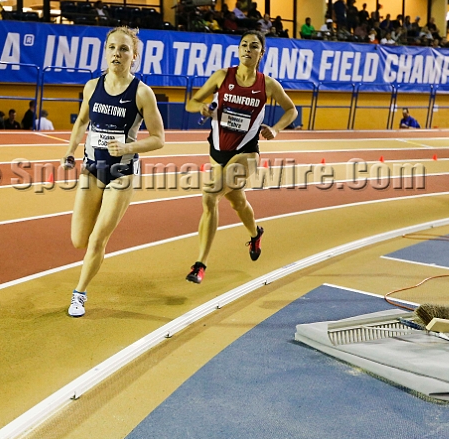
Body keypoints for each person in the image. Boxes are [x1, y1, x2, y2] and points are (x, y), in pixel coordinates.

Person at [61, 26, 165, 317]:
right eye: (112, 48)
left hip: (122, 172)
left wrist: (129, 147)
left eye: (123, 49)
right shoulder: (92, 86)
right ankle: (91, 259)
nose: (117, 54)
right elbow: (82, 121)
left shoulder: (142, 92)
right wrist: (70, 150)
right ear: (105, 51)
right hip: (92, 168)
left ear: (134, 57)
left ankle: (79, 294)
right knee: (78, 240)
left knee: (97, 239)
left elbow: (159, 138)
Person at [184, 30, 297, 284]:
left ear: (261, 53)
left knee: (210, 195)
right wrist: (201, 106)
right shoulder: (222, 76)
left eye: (253, 46)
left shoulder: (267, 84)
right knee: (237, 203)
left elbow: (292, 110)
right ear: (238, 50)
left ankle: (200, 265)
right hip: (217, 153)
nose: (248, 49)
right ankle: (256, 233)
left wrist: (276, 129)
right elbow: (191, 102)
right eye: (244, 45)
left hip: (246, 153)